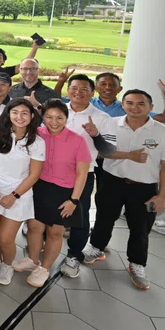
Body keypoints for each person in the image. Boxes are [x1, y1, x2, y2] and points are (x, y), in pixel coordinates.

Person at [81, 89, 165, 291]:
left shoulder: (164, 133)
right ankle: (96, 248)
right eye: (129, 103)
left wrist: (162, 195)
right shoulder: (112, 124)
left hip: (144, 187)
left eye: (140, 104)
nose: (134, 107)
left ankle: (137, 264)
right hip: (112, 181)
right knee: (104, 218)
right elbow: (103, 152)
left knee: (140, 228)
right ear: (123, 104)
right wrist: (129, 155)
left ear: (151, 107)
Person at [17, 99, 91, 287]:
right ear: (42, 116)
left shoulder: (78, 140)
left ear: (67, 118)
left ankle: (45, 268)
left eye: (59, 117)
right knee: (34, 227)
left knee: (55, 232)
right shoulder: (37, 133)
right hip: (38, 187)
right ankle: (33, 260)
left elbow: (83, 174)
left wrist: (74, 200)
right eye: (49, 117)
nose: (54, 122)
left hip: (64, 192)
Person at [0, 99, 45, 286]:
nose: (19, 117)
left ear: (32, 116)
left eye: (25, 113)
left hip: (19, 193)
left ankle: (7, 264)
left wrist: (14, 195)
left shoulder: (37, 142)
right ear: (8, 114)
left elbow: (34, 175)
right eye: (15, 112)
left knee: (5, 237)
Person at [57, 74, 117, 278]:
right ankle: (42, 251)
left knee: (79, 217)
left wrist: (96, 135)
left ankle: (73, 256)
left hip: (82, 174)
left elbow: (109, 150)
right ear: (68, 89)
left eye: (84, 89)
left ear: (92, 93)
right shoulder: (58, 111)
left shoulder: (102, 118)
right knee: (48, 212)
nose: (78, 92)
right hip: (52, 173)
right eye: (74, 88)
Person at [55, 71, 165, 124]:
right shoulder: (84, 103)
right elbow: (56, 100)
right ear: (96, 88)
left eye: (113, 85)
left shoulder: (127, 107)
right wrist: (60, 82)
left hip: (112, 157)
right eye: (103, 84)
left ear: (120, 89)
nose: (107, 88)